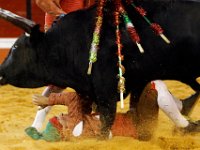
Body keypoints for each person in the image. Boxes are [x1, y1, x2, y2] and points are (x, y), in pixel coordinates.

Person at [25, 80, 200, 142]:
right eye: (59, 119)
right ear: (62, 129)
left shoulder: (77, 130)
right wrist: (49, 100)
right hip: (140, 127)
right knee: (155, 85)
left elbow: (82, 101)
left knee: (141, 83)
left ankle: (181, 108)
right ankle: (183, 125)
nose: (61, 115)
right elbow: (73, 99)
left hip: (133, 121)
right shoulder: (74, 128)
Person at [30, 0, 96, 132]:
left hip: (86, 31)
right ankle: (37, 123)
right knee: (59, 80)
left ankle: (87, 119)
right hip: (63, 30)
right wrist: (63, 17)